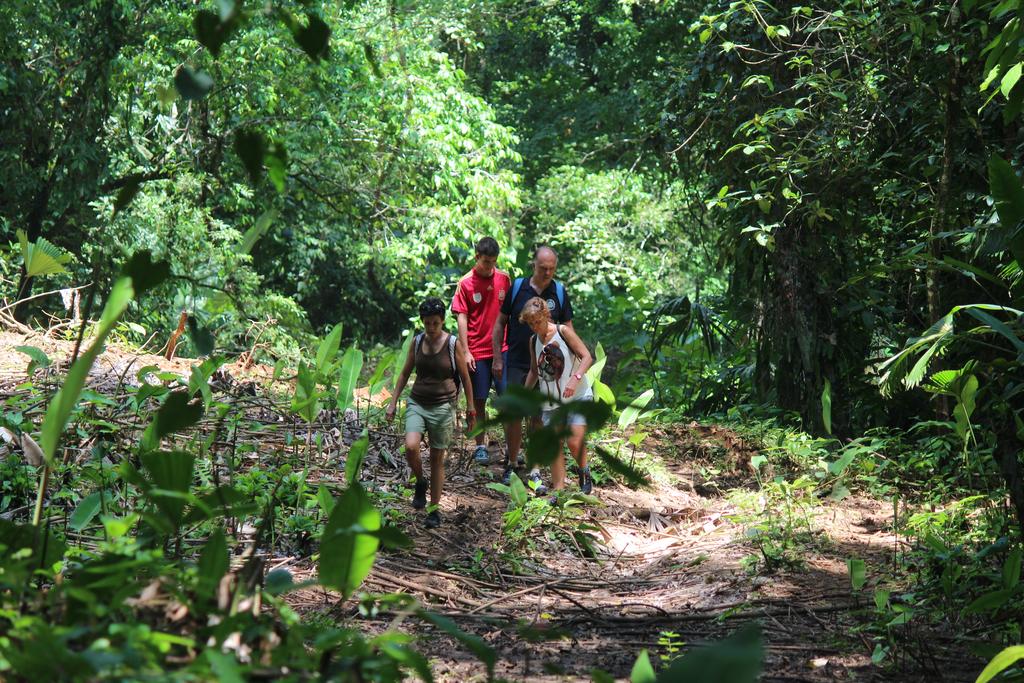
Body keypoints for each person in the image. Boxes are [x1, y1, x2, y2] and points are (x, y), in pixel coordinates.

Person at [386, 297, 475, 528]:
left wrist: (471, 408)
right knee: (411, 447)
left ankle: (434, 510)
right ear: (422, 322)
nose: (431, 328)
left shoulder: (453, 344)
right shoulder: (416, 343)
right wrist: (393, 402)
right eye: (427, 323)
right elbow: (405, 373)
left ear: (443, 321)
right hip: (417, 402)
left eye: (435, 323)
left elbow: (465, 377)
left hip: (443, 406)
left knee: (437, 459)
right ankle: (420, 481)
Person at [491, 245, 574, 488]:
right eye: (543, 268)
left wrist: (571, 367)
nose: (547, 272)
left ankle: (535, 468)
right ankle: (512, 462)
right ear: (533, 265)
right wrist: (497, 357)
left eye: (552, 268)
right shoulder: (517, 288)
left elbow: (568, 329)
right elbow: (499, 324)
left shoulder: (558, 291)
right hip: (516, 362)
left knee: (538, 417)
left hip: (547, 367)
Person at [520, 296, 594, 496]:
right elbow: (534, 371)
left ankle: (584, 471)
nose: (535, 326)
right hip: (552, 402)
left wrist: (575, 378)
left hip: (577, 396)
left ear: (546, 315)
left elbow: (587, 356)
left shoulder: (563, 332)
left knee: (573, 441)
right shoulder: (533, 340)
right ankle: (559, 490)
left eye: (538, 321)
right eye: (531, 323)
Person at [451, 237, 512, 465]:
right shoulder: (465, 283)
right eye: (486, 262)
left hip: (503, 349)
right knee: (479, 400)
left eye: (493, 262)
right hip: (477, 350)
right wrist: (465, 351)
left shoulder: (504, 279)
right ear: (477, 257)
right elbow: (462, 318)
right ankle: (480, 446)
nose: (490, 267)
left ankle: (512, 449)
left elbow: (510, 315)